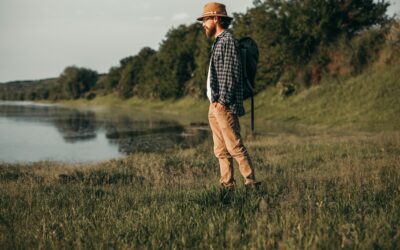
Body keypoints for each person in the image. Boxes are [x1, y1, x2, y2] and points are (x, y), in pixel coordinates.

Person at [197, 2, 260, 189]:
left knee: (234, 146)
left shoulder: (227, 41)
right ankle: (227, 185)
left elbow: (231, 73)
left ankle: (251, 183)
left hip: (223, 104)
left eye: (206, 20)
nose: (203, 24)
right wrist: (215, 102)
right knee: (220, 150)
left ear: (216, 19)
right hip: (215, 104)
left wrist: (223, 101)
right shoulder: (218, 42)